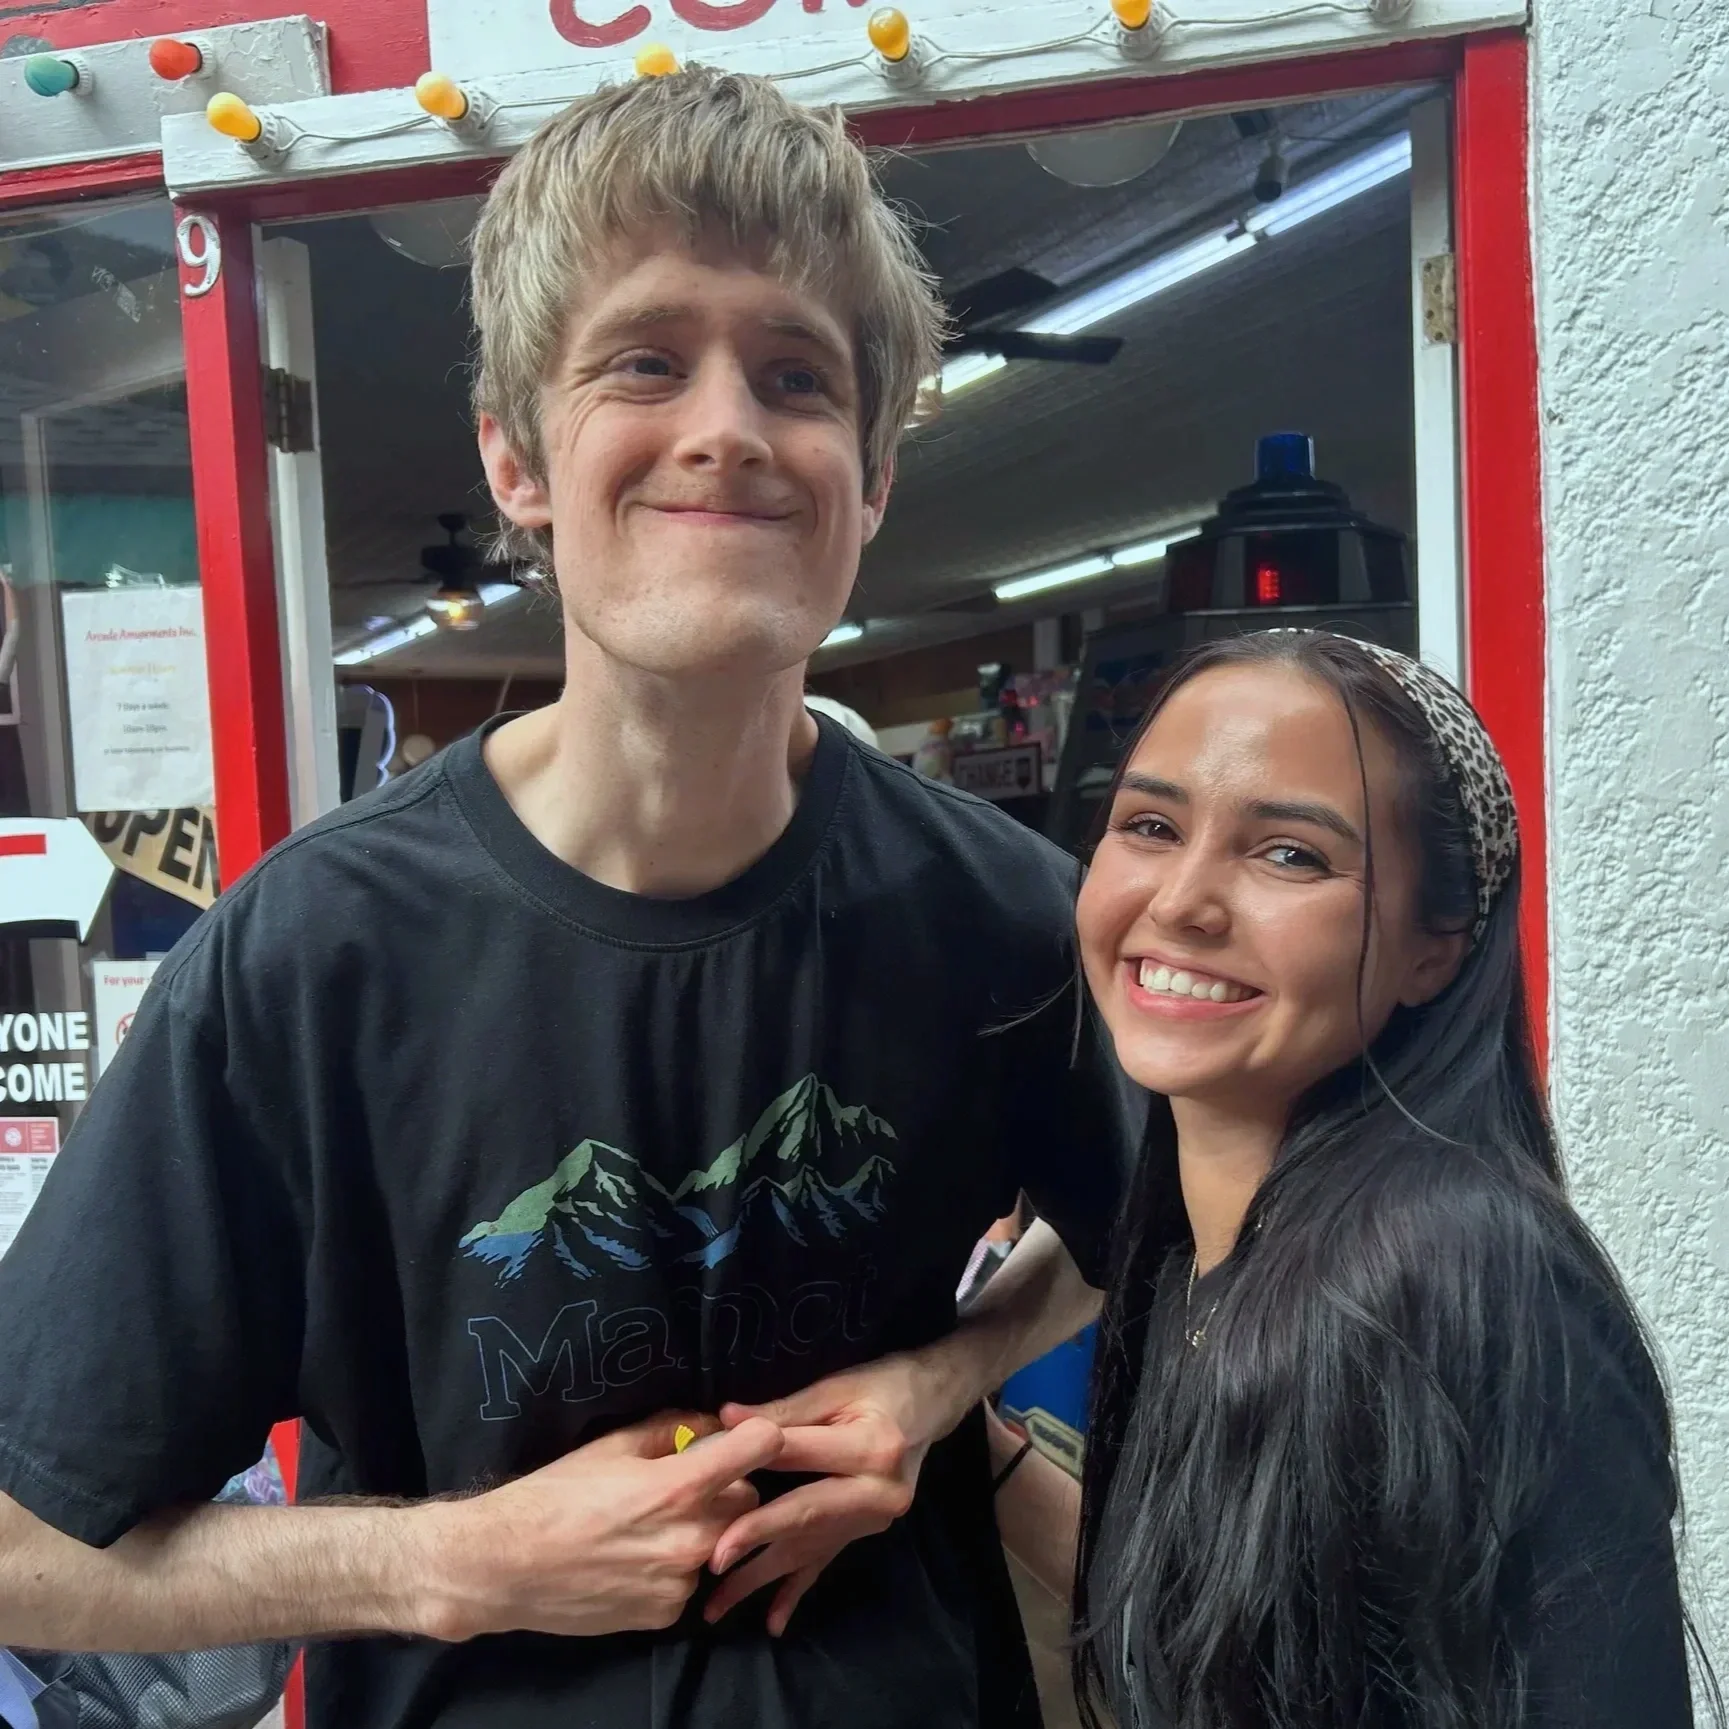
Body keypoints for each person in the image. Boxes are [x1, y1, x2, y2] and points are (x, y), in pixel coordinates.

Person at [0, 69, 1136, 1729]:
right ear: (515, 459)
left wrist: (939, 1379)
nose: (727, 426)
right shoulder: (317, 958)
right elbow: (26, 1540)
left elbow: (1133, 1221)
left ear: (871, 475)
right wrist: (452, 1561)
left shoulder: (1001, 914)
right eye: (643, 360)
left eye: (797, 375)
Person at [987, 629, 1719, 1729]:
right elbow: (1205, 1633)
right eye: (1149, 825)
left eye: (1289, 854)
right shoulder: (1194, 1253)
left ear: (1439, 945)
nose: (1182, 899)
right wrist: (956, 1444)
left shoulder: (1459, 1273)